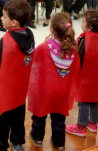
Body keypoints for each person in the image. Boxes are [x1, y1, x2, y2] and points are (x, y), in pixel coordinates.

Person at [0, 0, 35, 151]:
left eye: (4, 17)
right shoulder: (29, 35)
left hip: (6, 86)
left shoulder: (8, 39)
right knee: (18, 113)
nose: (1, 18)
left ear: (13, 22)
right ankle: (17, 141)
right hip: (22, 83)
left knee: (2, 116)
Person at [27, 13, 80, 151]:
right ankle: (59, 143)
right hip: (62, 91)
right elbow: (75, 73)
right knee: (59, 118)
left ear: (52, 30)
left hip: (44, 90)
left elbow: (34, 67)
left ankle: (37, 138)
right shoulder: (74, 50)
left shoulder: (43, 48)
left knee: (39, 114)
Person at [65, 10, 98, 137]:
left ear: (90, 27)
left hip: (86, 77)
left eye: (83, 21)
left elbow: (78, 58)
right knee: (94, 99)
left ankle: (81, 127)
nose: (81, 23)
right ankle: (93, 123)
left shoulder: (84, 39)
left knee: (83, 101)